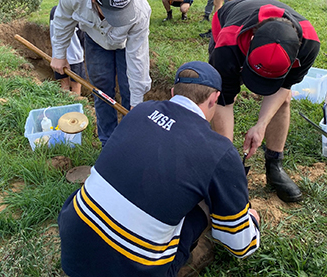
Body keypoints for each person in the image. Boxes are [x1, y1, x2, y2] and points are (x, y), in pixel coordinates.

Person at [58, 61, 260, 277]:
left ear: (173, 92)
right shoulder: (220, 151)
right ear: (214, 99)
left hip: (73, 248)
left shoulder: (141, 110)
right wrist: (253, 222)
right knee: (205, 201)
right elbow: (241, 246)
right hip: (133, 270)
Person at [208, 0, 320, 202]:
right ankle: (223, 165)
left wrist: (261, 125)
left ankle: (274, 165)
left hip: (277, 40)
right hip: (229, 20)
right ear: (250, 42)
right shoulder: (228, 43)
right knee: (218, 94)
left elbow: (284, 89)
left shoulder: (309, 45)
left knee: (284, 101)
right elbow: (224, 101)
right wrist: (229, 161)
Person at [50, 0, 151, 147]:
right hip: (95, 39)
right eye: (112, 15)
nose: (117, 20)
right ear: (93, 1)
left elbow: (138, 57)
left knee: (130, 90)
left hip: (126, 43)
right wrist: (59, 54)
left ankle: (132, 144)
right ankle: (108, 144)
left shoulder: (140, 10)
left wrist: (137, 102)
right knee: (101, 90)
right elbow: (62, 21)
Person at [49, 5, 85, 95]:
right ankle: (76, 105)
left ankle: (65, 104)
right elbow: (82, 37)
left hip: (58, 57)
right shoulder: (77, 13)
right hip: (75, 56)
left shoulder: (54, 11)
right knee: (76, 84)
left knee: (63, 83)